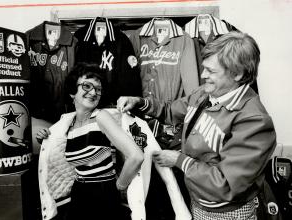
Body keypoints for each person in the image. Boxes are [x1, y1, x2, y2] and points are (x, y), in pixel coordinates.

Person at [117, 31, 276, 219]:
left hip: (228, 213)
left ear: (238, 74)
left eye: (211, 71)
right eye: (204, 67)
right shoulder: (205, 93)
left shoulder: (254, 121)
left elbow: (225, 184)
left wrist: (179, 160)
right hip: (198, 202)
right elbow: (170, 111)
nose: (203, 74)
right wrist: (140, 102)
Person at [36, 63, 144, 220]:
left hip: (103, 194)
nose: (93, 92)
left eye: (98, 89)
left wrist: (118, 187)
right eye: (87, 86)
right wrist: (46, 139)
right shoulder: (67, 123)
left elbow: (136, 156)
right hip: (78, 192)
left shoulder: (101, 117)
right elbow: (60, 157)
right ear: (73, 92)